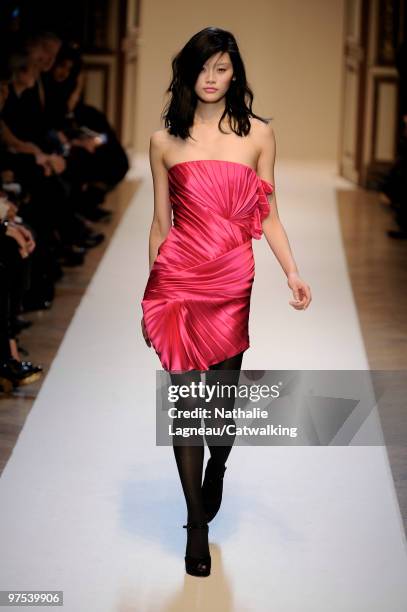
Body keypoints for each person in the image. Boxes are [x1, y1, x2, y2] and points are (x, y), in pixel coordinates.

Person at [140, 27, 312, 578]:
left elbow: (269, 214)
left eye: (220, 68)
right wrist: (154, 290)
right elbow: (159, 221)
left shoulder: (259, 135)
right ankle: (196, 524)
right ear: (187, 74)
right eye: (201, 69)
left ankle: (218, 467)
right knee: (186, 406)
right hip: (179, 280)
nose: (210, 79)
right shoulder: (164, 141)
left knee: (220, 408)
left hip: (233, 278)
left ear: (234, 72)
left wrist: (292, 272)